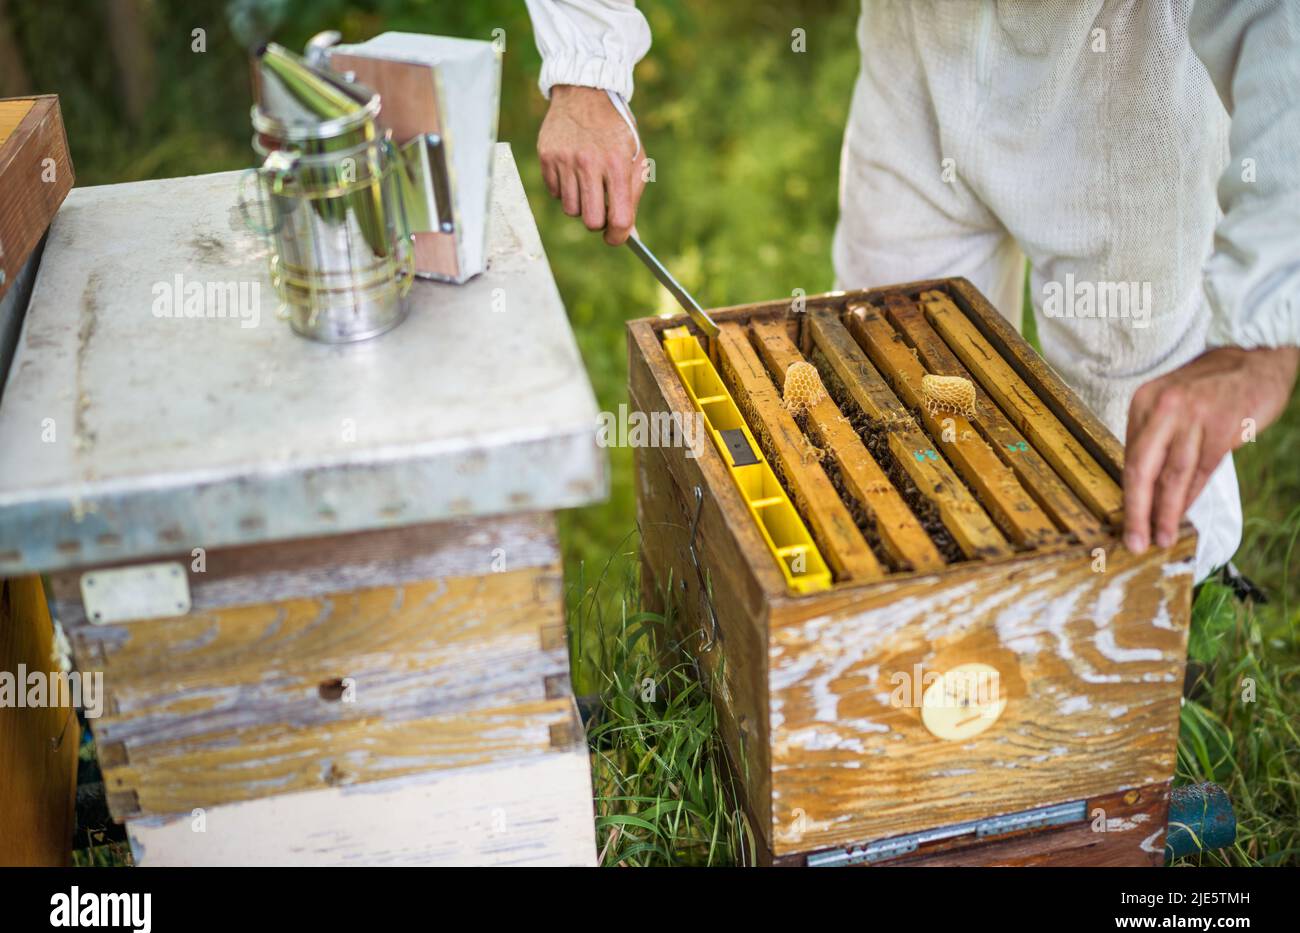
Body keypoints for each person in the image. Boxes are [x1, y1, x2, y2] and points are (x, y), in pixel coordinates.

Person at [524, 0, 1300, 581]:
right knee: (872, 374)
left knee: (1127, 437)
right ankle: (904, 628)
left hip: (1124, 55)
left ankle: (1137, 678)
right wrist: (585, 67)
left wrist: (1265, 335)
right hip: (917, 41)